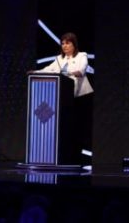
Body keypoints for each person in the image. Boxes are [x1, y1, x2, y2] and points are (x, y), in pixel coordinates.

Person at [30, 32, 93, 163]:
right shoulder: (59, 59)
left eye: (67, 43)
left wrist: (68, 73)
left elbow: (81, 70)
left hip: (81, 97)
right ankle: (66, 157)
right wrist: (35, 72)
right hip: (65, 98)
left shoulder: (82, 56)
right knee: (67, 127)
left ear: (74, 44)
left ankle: (78, 158)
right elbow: (48, 69)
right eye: (62, 43)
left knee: (80, 128)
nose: (64, 46)